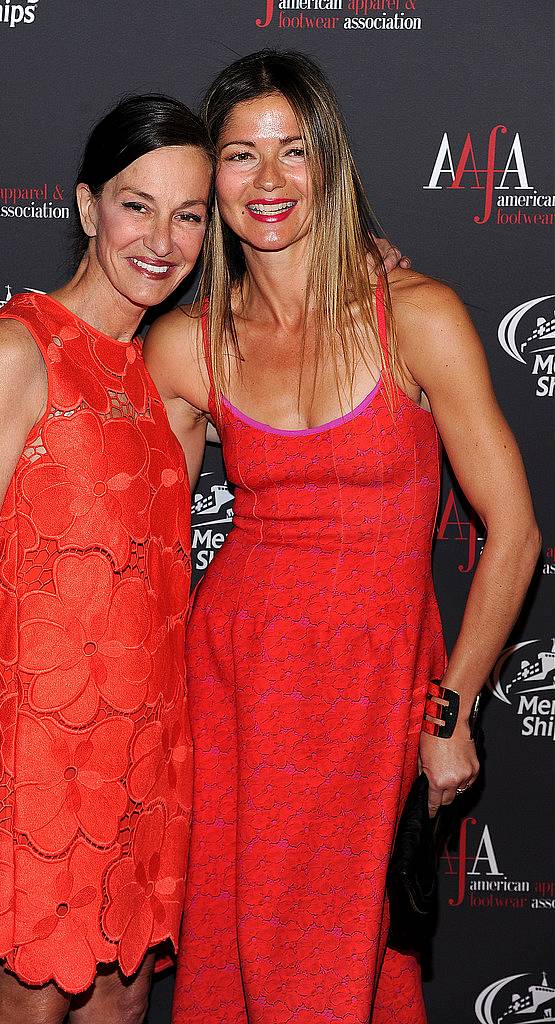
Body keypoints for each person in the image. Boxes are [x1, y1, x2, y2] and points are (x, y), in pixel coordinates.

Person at [143, 50, 541, 1024]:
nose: (269, 181)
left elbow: (517, 533)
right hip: (236, 684)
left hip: (370, 697)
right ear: (210, 178)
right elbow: (136, 534)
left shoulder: (418, 316)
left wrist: (449, 714)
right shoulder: (185, 343)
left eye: (294, 151)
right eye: (241, 156)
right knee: (236, 972)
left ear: (333, 165)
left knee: (331, 975)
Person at [0, 95, 213, 1024]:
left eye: (190, 214)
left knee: (122, 1012)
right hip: (33, 774)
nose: (161, 238)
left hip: (143, 767)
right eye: (137, 205)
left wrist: (370, 262)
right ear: (87, 207)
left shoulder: (167, 368)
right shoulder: (17, 352)